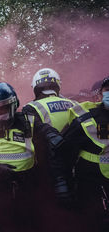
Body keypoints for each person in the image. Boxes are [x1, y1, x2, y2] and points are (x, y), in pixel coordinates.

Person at [0, 82, 65, 231]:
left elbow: (45, 129)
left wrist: (52, 135)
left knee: (29, 223)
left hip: (28, 185)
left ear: (13, 106)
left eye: (2, 108)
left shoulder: (27, 122)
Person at [56, 76, 109, 232]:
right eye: (108, 90)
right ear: (99, 95)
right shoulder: (87, 119)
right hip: (92, 187)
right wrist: (63, 185)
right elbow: (64, 153)